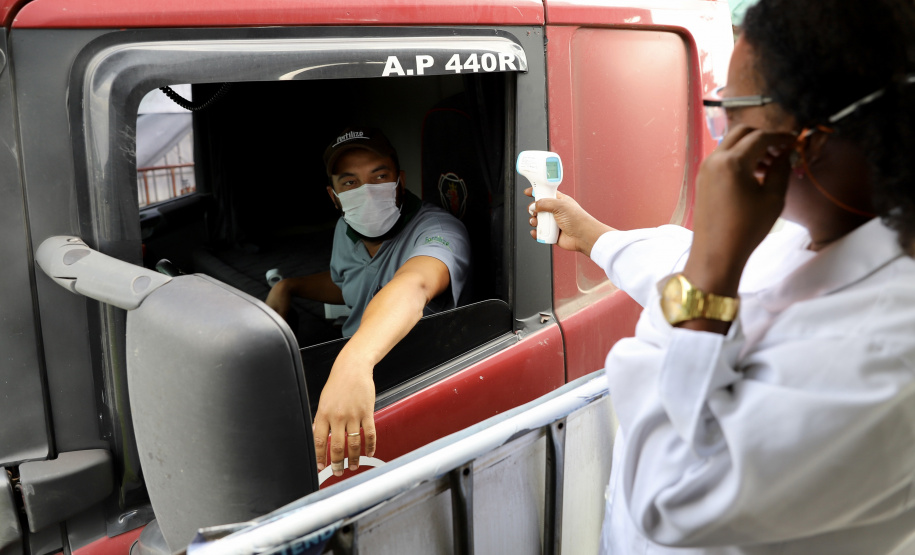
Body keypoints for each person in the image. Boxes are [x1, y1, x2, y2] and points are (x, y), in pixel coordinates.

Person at [528, 0, 915, 552]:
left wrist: (707, 275)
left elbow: (667, 496)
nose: (722, 130)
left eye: (731, 110)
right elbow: (683, 263)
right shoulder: (815, 235)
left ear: (805, 142)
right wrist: (595, 236)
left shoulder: (882, 352)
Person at [266, 127, 470, 477]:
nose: (367, 191)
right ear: (334, 196)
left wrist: (354, 361)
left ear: (399, 181)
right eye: (350, 182)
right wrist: (290, 287)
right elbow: (349, 283)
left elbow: (414, 285)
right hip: (352, 365)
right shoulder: (346, 231)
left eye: (379, 176)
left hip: (406, 373)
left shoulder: (439, 231)